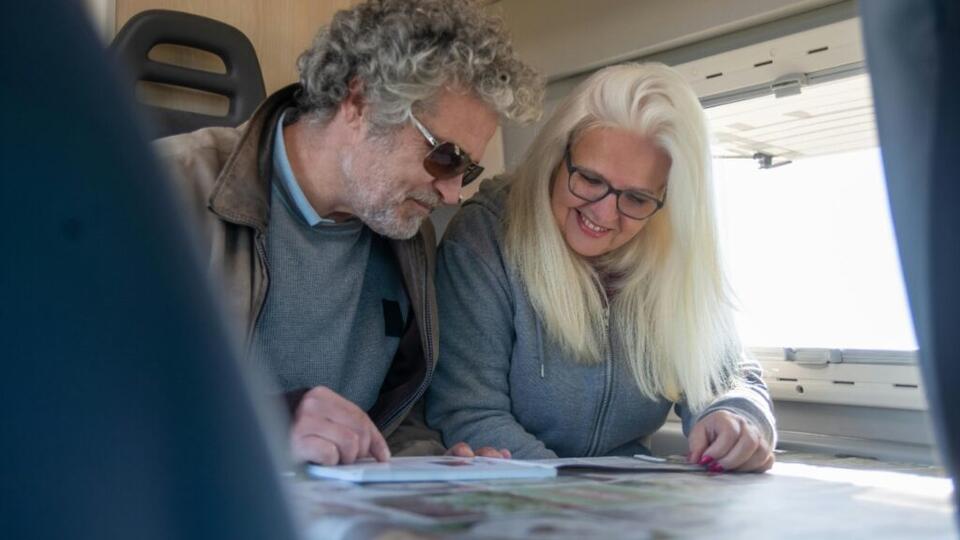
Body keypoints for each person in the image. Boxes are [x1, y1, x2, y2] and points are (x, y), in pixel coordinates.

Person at [154, 0, 542, 466]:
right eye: (446, 157)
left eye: (469, 170)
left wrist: (438, 465)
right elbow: (85, 398)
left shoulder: (407, 236)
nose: (452, 193)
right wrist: (266, 424)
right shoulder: (158, 189)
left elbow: (389, 424)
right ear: (359, 104)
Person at [426, 63, 776, 472]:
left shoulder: (671, 250)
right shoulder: (484, 236)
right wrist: (577, 494)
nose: (605, 214)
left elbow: (729, 374)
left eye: (637, 199)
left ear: (664, 200)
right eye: (590, 179)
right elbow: (470, 413)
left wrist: (735, 416)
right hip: (526, 491)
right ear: (556, 158)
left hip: (623, 494)